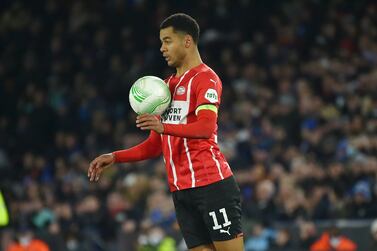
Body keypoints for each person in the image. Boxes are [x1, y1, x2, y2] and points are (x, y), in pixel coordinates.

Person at [88, 13, 244, 251]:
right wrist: (116, 156)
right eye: (161, 42)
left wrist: (163, 127)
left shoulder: (206, 79)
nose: (162, 48)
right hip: (181, 191)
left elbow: (205, 127)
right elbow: (154, 145)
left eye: (167, 40)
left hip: (211, 184)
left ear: (187, 41)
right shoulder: (165, 88)